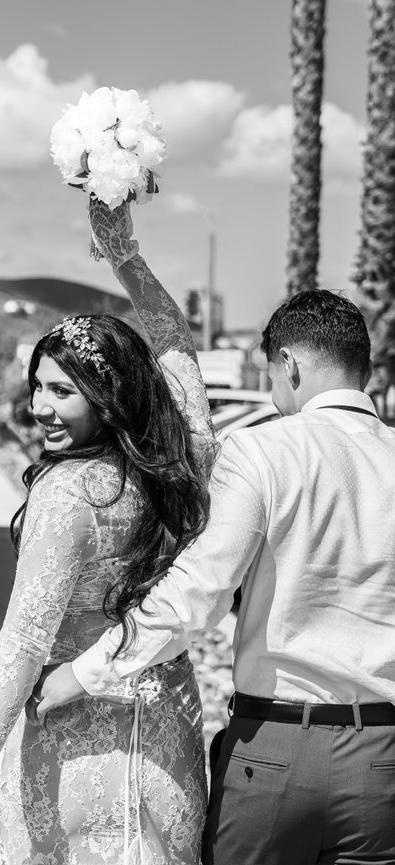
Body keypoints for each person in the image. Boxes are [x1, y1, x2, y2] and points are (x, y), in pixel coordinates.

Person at [33, 288, 395, 865]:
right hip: (384, 761)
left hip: (275, 748)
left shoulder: (262, 450)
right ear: (366, 369)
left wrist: (84, 671)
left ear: (290, 365)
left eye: (271, 374)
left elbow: (195, 595)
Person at [0, 199, 216, 865]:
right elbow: (174, 341)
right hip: (166, 735)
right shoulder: (181, 463)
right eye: (37, 387)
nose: (37, 407)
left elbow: (24, 638)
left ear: (107, 394)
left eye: (61, 391)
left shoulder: (67, 492)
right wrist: (125, 255)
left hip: (73, 745)